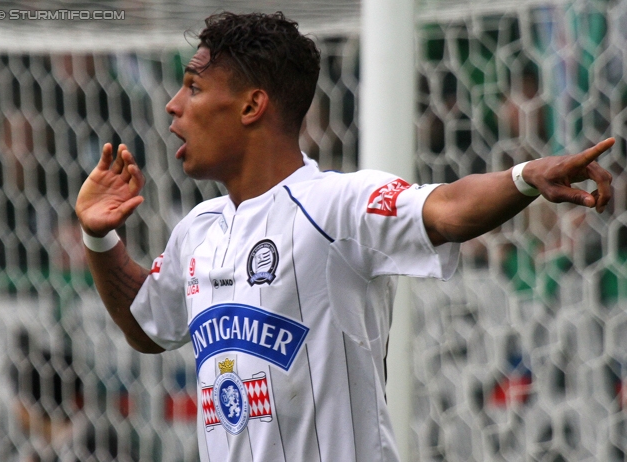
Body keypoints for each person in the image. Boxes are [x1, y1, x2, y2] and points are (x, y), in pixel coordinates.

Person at [75, 11, 615, 462]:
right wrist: (101, 241)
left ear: (250, 106)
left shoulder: (332, 206)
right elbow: (149, 325)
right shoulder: (200, 228)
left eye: (193, 86)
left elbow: (446, 208)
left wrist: (523, 178)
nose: (173, 104)